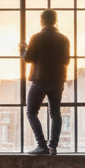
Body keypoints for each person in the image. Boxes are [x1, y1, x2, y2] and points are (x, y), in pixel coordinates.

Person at [19, 9, 71, 155]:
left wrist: (22, 50)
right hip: (58, 80)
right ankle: (53, 146)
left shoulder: (36, 37)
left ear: (42, 20)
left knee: (31, 112)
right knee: (55, 113)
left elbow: (28, 58)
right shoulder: (64, 39)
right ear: (55, 20)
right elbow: (66, 61)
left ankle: (41, 145)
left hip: (40, 79)